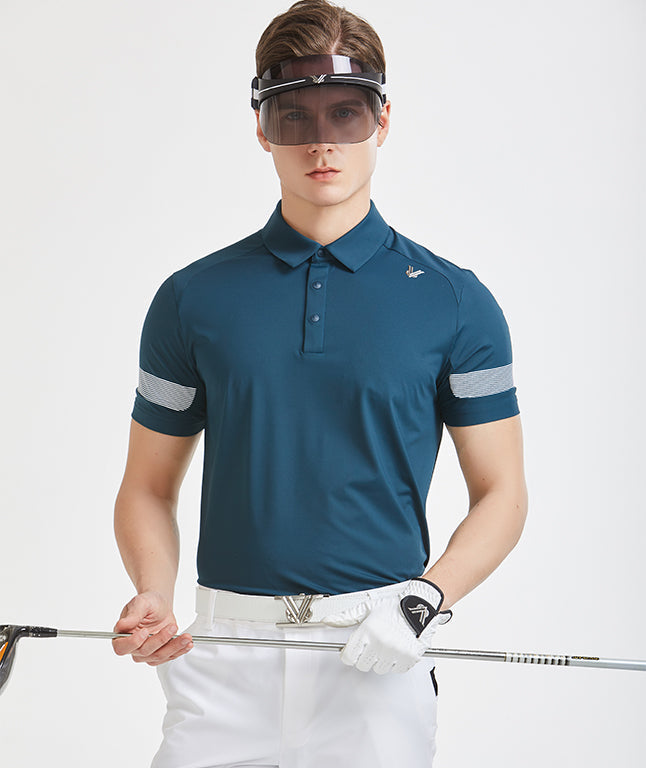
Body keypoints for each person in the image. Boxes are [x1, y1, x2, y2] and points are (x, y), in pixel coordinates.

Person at [112, 1, 528, 766]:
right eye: (294, 116)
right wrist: (153, 592)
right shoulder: (191, 299)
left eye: (346, 112)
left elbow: (503, 493)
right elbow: (147, 487)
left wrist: (423, 601)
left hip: (378, 652)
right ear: (262, 127)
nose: (321, 141)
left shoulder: (455, 301)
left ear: (383, 119)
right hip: (224, 655)